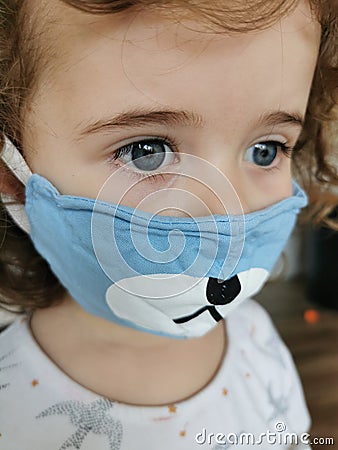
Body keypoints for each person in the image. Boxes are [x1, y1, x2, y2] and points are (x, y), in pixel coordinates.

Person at [0, 0, 337, 449]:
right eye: (147, 151)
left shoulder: (257, 336)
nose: (227, 209)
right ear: (15, 182)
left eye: (266, 149)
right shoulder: (11, 405)